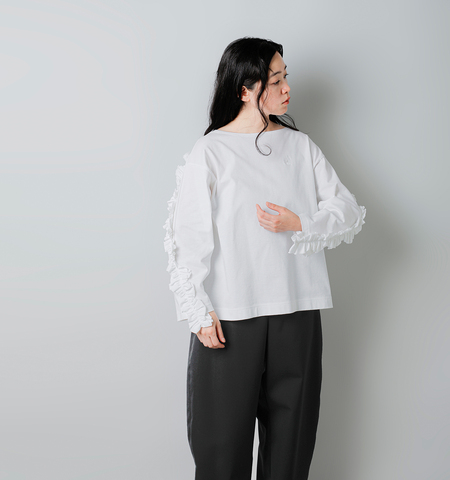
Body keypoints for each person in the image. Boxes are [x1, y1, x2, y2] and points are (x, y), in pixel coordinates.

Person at [164, 37, 366, 480]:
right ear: (245, 89)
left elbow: (348, 211)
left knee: (290, 451)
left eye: (285, 77)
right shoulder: (210, 152)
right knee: (220, 450)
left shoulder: (301, 147)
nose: (287, 88)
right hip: (230, 318)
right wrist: (197, 310)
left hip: (298, 311)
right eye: (275, 80)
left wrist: (302, 222)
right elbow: (187, 238)